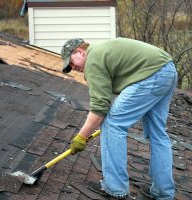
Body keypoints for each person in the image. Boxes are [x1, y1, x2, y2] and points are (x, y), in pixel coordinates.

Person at [61, 37, 177, 200]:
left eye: (72, 63)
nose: (73, 68)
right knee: (158, 134)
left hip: (151, 75)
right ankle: (163, 192)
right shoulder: (103, 52)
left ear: (80, 51)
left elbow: (100, 107)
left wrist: (81, 137)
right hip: (168, 70)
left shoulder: (93, 58)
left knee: (112, 123)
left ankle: (115, 188)